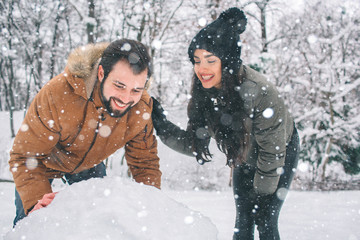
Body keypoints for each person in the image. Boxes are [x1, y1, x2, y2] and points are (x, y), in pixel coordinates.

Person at [151, 8, 299, 240]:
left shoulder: (259, 92)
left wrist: (262, 195)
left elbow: (272, 153)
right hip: (243, 154)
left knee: (266, 221)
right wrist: (161, 126)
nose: (202, 69)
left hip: (280, 153)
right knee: (243, 221)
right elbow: (193, 143)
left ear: (227, 61)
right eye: (197, 60)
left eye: (210, 60)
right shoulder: (205, 95)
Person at [9, 39, 161, 226]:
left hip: (88, 165)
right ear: (101, 73)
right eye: (119, 86)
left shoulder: (140, 108)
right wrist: (35, 202)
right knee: (32, 219)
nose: (125, 98)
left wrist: (151, 210)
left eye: (136, 90)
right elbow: (25, 156)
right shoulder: (58, 94)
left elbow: (145, 163)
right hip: (42, 162)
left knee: (96, 220)